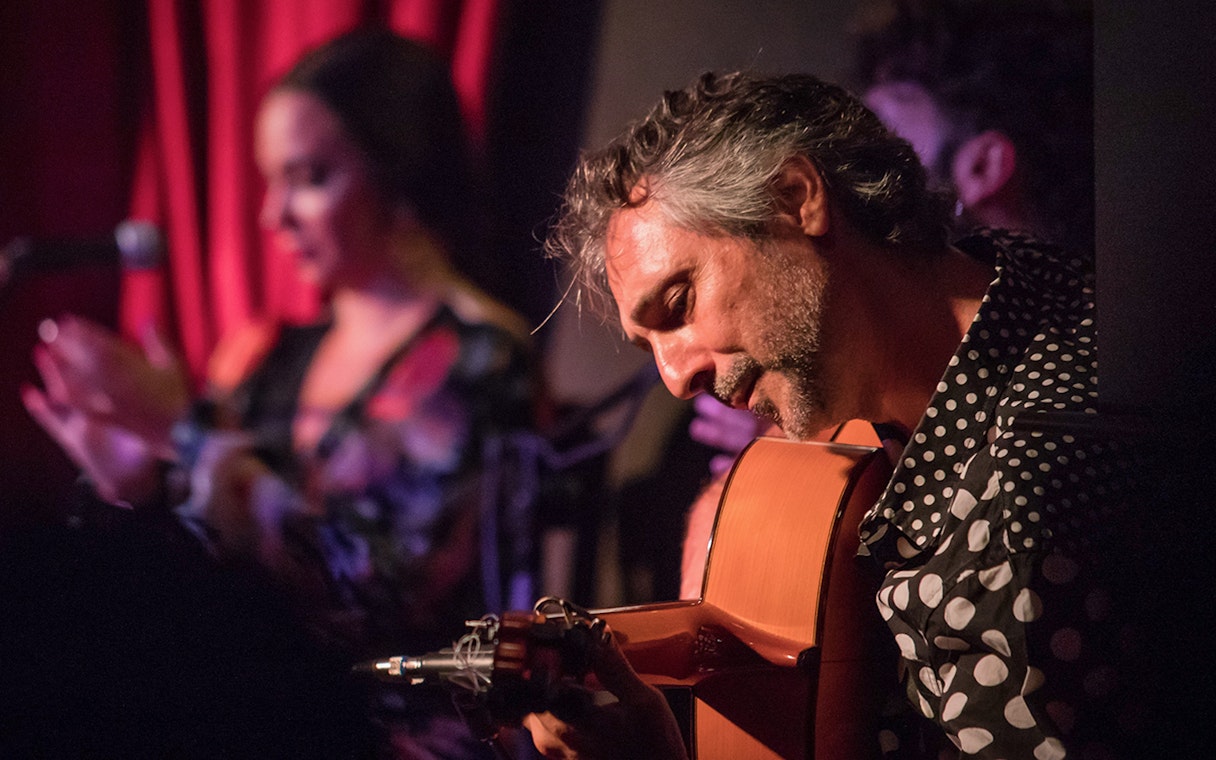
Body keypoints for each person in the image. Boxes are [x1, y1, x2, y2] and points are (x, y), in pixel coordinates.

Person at [523, 70, 1168, 759]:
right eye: (647, 344)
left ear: (795, 198)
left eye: (679, 305)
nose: (676, 376)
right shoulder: (1035, 287)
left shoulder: (1019, 513)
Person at [22, 28, 539, 759]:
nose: (273, 216)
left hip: (388, 731)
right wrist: (139, 485)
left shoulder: (480, 356)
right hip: (247, 706)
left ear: (399, 169)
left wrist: (185, 435)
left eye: (310, 178)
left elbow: (375, 593)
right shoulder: (265, 356)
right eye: (271, 182)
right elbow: (208, 586)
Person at [681, 0, 1096, 600]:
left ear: (983, 165)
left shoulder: (1068, 381)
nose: (844, 167)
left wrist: (805, 441)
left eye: (885, 136)